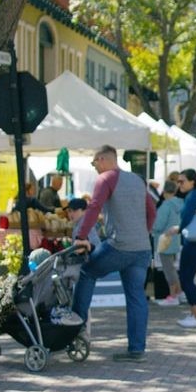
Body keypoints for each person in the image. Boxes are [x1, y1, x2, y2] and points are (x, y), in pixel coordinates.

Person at [71, 145, 156, 362]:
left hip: (119, 245)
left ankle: (74, 329)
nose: (94, 168)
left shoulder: (106, 179)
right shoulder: (137, 180)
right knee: (136, 296)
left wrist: (81, 236)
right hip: (142, 248)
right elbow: (151, 210)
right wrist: (143, 232)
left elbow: (94, 207)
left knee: (87, 273)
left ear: (102, 159)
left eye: (94, 163)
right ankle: (137, 349)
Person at [167, 169, 196, 328]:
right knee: (186, 277)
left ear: (192, 181)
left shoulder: (194, 195)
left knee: (186, 278)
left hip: (194, 242)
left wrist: (177, 229)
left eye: (182, 181)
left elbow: (187, 216)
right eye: (178, 181)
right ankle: (195, 313)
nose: (179, 184)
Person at [153, 181, 185, 306]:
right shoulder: (181, 204)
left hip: (164, 240)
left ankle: (173, 295)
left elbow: (158, 225)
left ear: (164, 191)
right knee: (173, 269)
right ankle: (179, 293)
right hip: (176, 240)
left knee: (168, 270)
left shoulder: (166, 205)